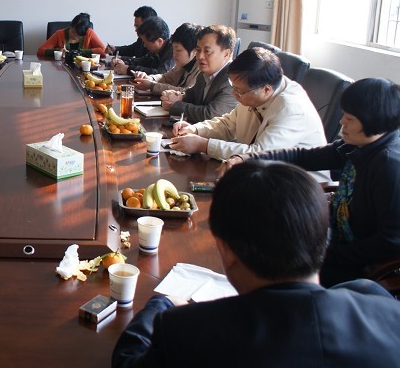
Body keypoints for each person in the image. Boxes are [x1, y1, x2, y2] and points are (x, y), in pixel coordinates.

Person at [112, 161, 400, 367]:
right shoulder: (387, 312)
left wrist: (160, 304)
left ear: (226, 250)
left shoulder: (187, 331)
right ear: (324, 239)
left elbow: (127, 361)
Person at [222, 78, 400, 286]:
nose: (341, 122)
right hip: (333, 236)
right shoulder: (358, 144)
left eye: (350, 119)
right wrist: (248, 159)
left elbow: (391, 241)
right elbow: (303, 156)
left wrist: (325, 255)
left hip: (356, 262)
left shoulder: (389, 166)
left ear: (373, 123)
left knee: (271, 264)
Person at [169, 47, 329, 181]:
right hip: (262, 177)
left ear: (266, 89)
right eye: (233, 86)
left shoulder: (291, 108)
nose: (234, 94)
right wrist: (196, 130)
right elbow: (229, 123)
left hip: (299, 188)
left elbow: (259, 154)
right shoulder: (255, 89)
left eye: (239, 91)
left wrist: (203, 145)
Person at [161, 24, 237, 123]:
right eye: (198, 50)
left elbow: (210, 115)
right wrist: (178, 96)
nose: (200, 56)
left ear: (226, 54)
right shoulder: (204, 73)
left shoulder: (233, 80)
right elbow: (191, 95)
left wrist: (174, 106)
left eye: (207, 51)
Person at [131, 22, 201, 94]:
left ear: (194, 51)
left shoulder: (201, 69)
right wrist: (149, 78)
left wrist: (152, 85)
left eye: (178, 50)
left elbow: (186, 92)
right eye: (173, 49)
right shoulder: (183, 63)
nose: (174, 54)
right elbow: (166, 78)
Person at [36, 12, 105, 57]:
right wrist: (58, 51)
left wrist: (82, 52)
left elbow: (103, 50)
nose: (75, 36)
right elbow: (40, 51)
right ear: (71, 26)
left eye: (79, 36)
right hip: (62, 69)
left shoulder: (89, 33)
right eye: (73, 32)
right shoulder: (59, 34)